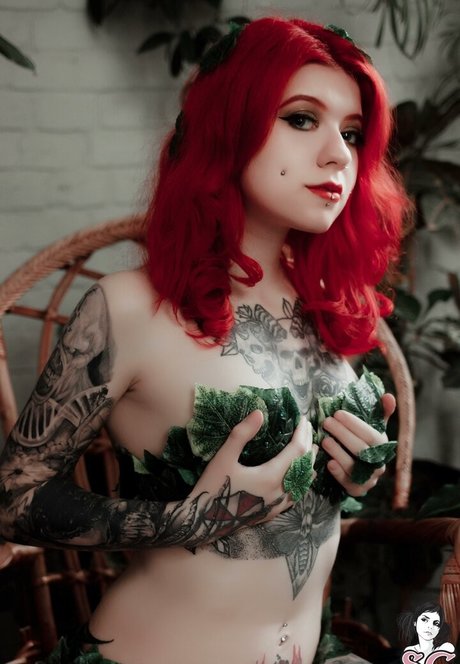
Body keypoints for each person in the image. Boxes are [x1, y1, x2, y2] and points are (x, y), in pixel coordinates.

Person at [0, 16, 411, 664]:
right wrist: (189, 520)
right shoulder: (128, 307)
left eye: (352, 132)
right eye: (302, 119)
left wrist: (355, 471)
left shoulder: (325, 304)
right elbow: (15, 498)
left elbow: (306, 509)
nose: (339, 154)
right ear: (228, 128)